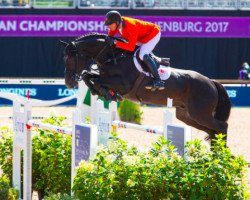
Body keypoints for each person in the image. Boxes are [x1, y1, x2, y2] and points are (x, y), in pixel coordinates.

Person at [104, 10, 165, 90]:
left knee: (142, 55)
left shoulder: (131, 26)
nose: (108, 27)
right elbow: (109, 38)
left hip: (153, 34)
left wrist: (116, 42)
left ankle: (158, 80)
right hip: (141, 37)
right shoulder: (115, 25)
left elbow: (130, 47)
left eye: (110, 25)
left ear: (117, 22)